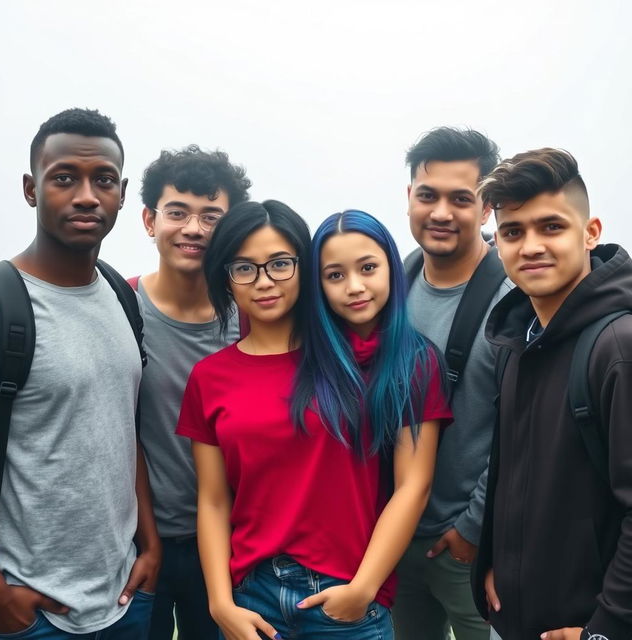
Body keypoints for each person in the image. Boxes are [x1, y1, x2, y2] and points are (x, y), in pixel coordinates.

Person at [177, 202, 451, 639]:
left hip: (344, 596)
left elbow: (412, 486)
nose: (264, 281)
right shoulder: (209, 379)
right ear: (225, 278)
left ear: (305, 268)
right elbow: (212, 500)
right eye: (244, 268)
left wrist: (362, 589)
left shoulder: (363, 360)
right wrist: (220, 603)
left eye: (280, 264)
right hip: (253, 597)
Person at [0, 108, 160, 639]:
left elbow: (122, 429)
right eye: (64, 177)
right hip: (30, 611)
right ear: (30, 189)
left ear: (122, 192)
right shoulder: (2, 305)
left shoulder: (119, 296)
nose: (87, 195)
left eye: (103, 180)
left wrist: (150, 545)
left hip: (125, 599)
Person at [472, 149, 632, 640]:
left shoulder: (617, 347)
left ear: (591, 232)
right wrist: (497, 560)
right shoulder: (518, 341)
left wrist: (604, 628)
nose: (531, 246)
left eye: (552, 227)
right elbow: (515, 471)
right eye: (513, 232)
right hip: (519, 617)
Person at [393, 127, 510, 640]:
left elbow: (524, 427)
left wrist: (471, 529)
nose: (441, 212)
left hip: (469, 548)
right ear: (410, 198)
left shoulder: (513, 299)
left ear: (486, 209)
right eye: (428, 195)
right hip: (396, 539)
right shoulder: (395, 282)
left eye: (461, 198)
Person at [135, 145, 251, 640]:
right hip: (140, 543)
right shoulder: (122, 307)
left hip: (233, 543)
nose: (194, 229)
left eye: (211, 216)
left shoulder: (253, 318)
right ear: (148, 219)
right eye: (177, 213)